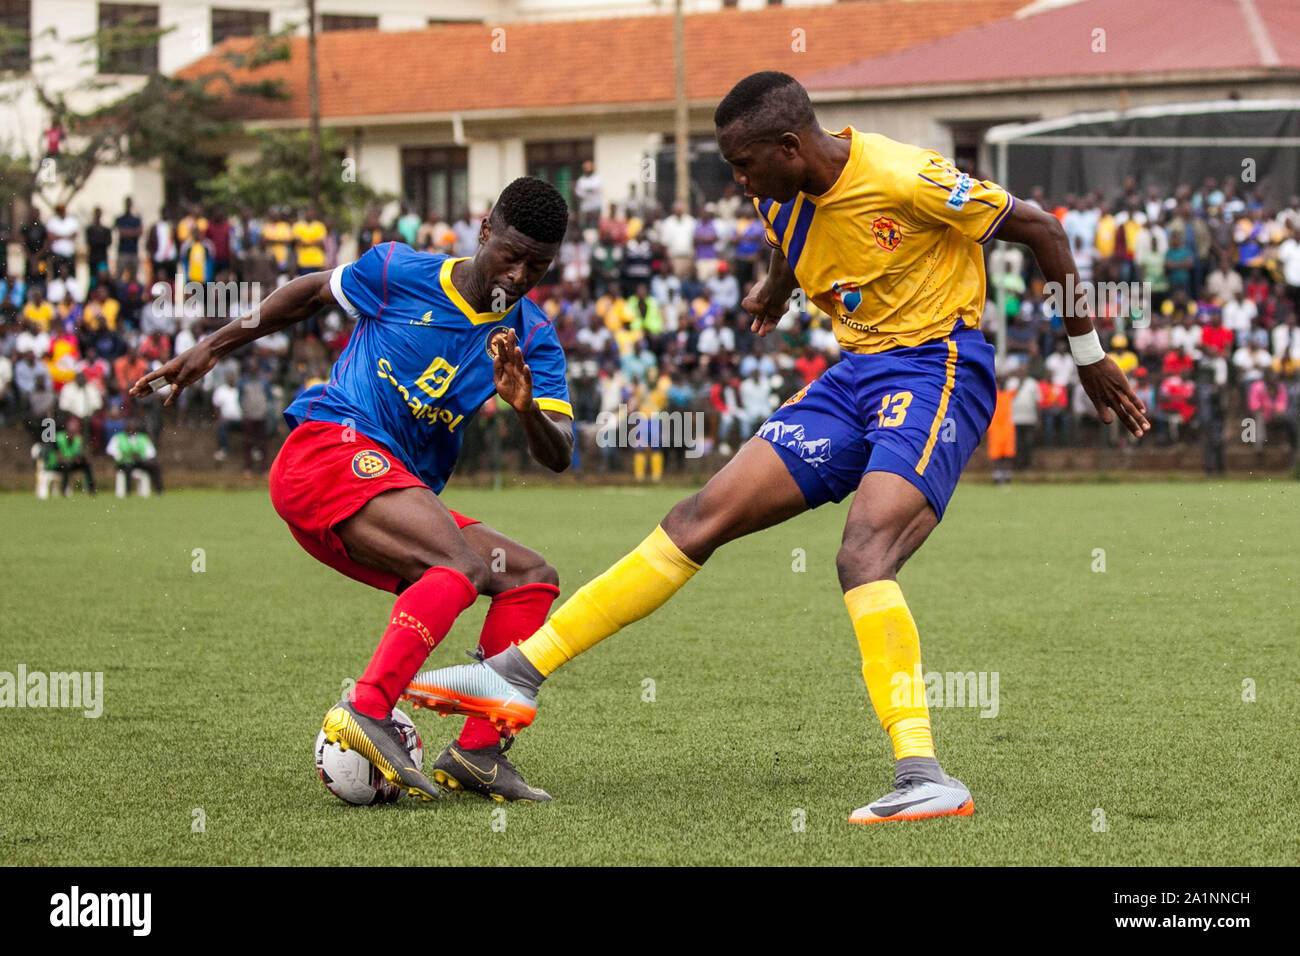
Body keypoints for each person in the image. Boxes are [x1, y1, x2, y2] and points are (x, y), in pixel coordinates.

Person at [404, 72, 1148, 825]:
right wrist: (776, 289)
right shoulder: (778, 193)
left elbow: (1045, 230)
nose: (737, 180)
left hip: (937, 370)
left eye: (744, 163)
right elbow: (798, 238)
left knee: (863, 553)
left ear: (791, 146)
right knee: (699, 516)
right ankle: (515, 673)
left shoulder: (906, 177)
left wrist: (1088, 355)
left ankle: (925, 774)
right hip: (853, 377)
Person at [132, 177, 575, 804]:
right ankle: (366, 709)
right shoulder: (398, 269)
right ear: (484, 231)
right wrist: (211, 345)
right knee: (458, 565)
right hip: (326, 452)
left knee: (530, 577)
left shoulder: (534, 337)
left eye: (540, 264)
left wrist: (526, 409)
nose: (521, 273)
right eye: (512, 253)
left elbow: (558, 453)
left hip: (387, 489)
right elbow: (311, 292)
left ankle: (478, 752)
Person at [107, 417, 163, 494]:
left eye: (132, 426)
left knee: (154, 466)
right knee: (127, 468)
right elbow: (111, 451)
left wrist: (144, 459)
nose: (130, 428)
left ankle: (159, 491)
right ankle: (127, 492)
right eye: (129, 426)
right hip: (125, 463)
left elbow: (151, 453)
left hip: (139, 462)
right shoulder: (118, 437)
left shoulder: (143, 438)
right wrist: (124, 456)